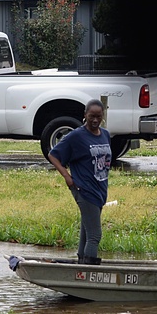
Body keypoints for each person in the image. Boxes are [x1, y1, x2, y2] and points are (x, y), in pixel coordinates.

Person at [47, 99, 113, 265]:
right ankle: (89, 270)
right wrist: (67, 177)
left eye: (99, 116)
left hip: (100, 189)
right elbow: (53, 155)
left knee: (86, 230)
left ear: (103, 115)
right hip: (84, 190)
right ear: (85, 115)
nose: (95, 120)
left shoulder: (105, 134)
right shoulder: (76, 136)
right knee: (95, 235)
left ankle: (81, 264)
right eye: (92, 116)